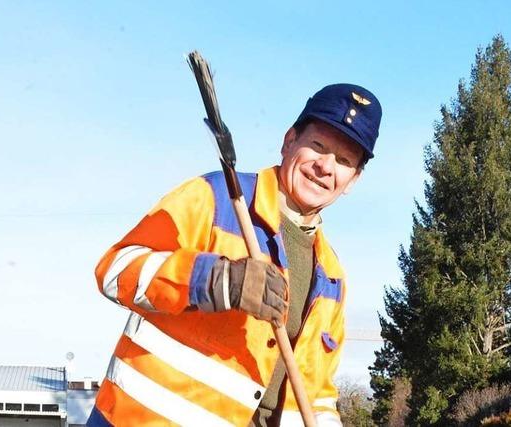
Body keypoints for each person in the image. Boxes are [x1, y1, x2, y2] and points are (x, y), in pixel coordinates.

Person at [87, 83, 382, 427]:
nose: (326, 167)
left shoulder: (332, 279)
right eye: (318, 146)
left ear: (353, 180)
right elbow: (114, 270)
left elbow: (317, 394)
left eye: (344, 161)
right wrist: (213, 279)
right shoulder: (215, 198)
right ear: (289, 141)